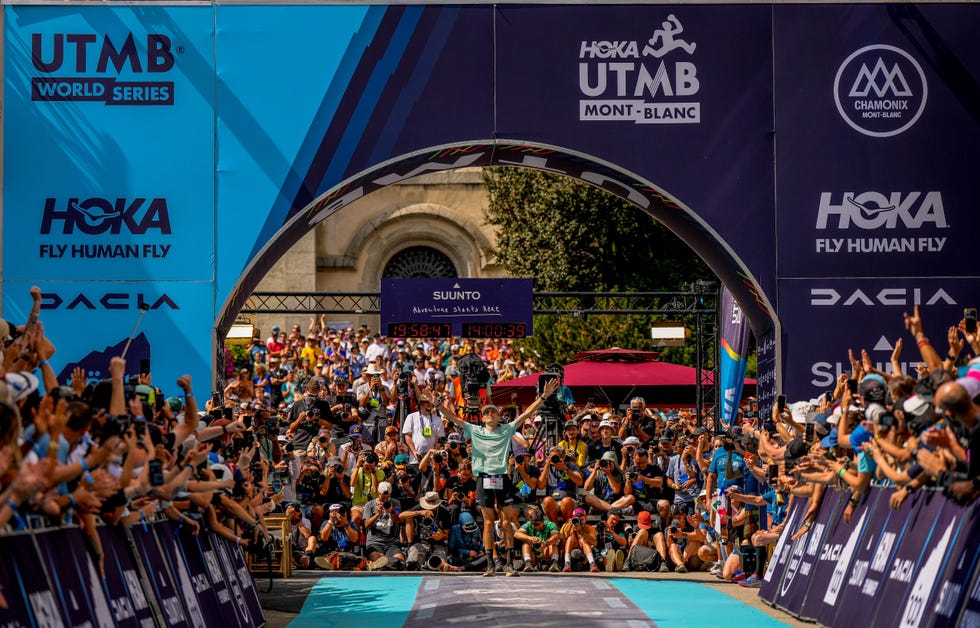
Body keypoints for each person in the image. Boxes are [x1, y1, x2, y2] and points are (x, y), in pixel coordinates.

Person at [437, 377, 559, 576]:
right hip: (484, 478)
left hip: (502, 478)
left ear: (497, 416)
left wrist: (544, 396)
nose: (490, 414)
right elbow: (453, 418)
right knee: (487, 522)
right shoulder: (475, 430)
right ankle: (492, 564)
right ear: (483, 418)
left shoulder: (506, 429)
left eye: (493, 411)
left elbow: (527, 413)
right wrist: (437, 404)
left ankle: (510, 563)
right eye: (487, 413)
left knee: (505, 522)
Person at [362, 481, 405, 570]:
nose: (385, 499)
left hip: (391, 542)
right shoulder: (369, 505)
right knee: (379, 565)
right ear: (378, 493)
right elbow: (367, 525)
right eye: (383, 497)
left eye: (387, 496)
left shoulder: (395, 503)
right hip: (375, 542)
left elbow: (397, 520)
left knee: (400, 562)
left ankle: (387, 560)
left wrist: (392, 511)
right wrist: (377, 514)